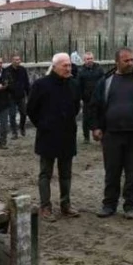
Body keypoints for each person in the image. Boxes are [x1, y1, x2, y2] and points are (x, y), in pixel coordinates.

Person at [89, 47, 133, 219]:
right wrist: (96, 127)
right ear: (117, 62)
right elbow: (94, 106)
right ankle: (109, 205)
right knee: (112, 172)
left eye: (132, 60)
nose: (131, 63)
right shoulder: (105, 81)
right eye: (126, 60)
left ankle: (130, 206)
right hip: (112, 135)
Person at [26, 53, 81, 221]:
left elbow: (76, 107)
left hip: (67, 135)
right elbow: (31, 109)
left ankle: (66, 205)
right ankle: (45, 207)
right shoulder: (41, 85)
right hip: (47, 135)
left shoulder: (73, 84)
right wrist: (43, 124)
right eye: (65, 65)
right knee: (45, 173)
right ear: (55, 66)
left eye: (70, 65)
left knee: (66, 173)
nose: (68, 68)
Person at [76, 51, 104, 143]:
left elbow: (104, 82)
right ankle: (86, 138)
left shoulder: (99, 69)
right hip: (87, 99)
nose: (90, 60)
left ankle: (100, 135)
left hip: (99, 98)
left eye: (91, 58)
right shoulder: (81, 71)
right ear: (84, 60)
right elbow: (78, 86)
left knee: (100, 117)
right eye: (88, 59)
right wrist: (80, 97)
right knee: (86, 119)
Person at [5, 54, 30, 138]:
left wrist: (28, 93)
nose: (17, 61)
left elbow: (26, 82)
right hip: (11, 96)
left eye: (18, 59)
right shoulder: (7, 70)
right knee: (12, 115)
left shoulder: (23, 70)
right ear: (12, 60)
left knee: (23, 113)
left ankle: (22, 127)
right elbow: (5, 83)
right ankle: (14, 132)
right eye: (15, 60)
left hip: (21, 96)